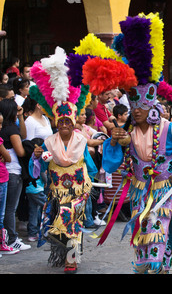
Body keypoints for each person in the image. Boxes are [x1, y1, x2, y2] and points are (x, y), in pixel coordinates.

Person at [99, 13, 172, 274]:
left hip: (163, 190)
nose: (137, 111)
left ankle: (159, 269)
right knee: (142, 239)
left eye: (142, 106)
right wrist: (114, 143)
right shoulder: (126, 131)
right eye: (134, 106)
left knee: (159, 232)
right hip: (139, 191)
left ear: (151, 104)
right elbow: (110, 165)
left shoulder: (169, 128)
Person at [28, 46, 98, 273]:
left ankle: (71, 260)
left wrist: (92, 182)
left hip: (79, 190)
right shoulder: (49, 142)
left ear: (73, 121)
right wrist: (37, 157)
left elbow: (89, 164)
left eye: (68, 121)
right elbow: (38, 167)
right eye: (61, 122)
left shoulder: (80, 140)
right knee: (65, 222)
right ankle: (68, 255)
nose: (65, 125)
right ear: (57, 123)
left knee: (72, 222)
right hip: (58, 190)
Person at [22, 97, 53, 242]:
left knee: (41, 198)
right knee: (41, 199)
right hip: (37, 162)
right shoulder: (29, 121)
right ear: (38, 105)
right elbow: (28, 144)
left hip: (48, 159)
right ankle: (39, 229)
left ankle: (36, 229)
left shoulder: (46, 119)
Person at [0, 98, 29, 251]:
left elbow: (23, 134)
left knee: (6, 209)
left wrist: (20, 117)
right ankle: (11, 239)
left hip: (8, 173)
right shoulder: (11, 130)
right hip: (12, 172)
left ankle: (8, 238)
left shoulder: (5, 128)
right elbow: (21, 151)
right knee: (10, 209)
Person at [0, 111, 18, 256]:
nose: (1, 127)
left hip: (3, 177)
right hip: (2, 178)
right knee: (2, 213)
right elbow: (8, 157)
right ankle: (3, 243)